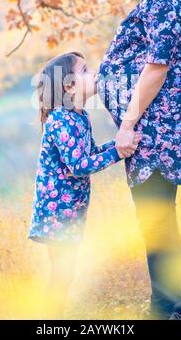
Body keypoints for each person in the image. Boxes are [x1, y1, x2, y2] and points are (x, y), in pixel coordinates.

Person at [97, 0, 181, 320]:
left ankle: (167, 311)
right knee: (158, 220)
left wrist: (126, 125)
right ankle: (168, 308)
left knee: (155, 221)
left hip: (154, 128)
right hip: (156, 124)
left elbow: (156, 67)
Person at [28, 51, 141, 318]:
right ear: (69, 85)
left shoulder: (79, 117)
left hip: (71, 212)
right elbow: (79, 166)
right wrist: (118, 152)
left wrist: (118, 143)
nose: (94, 75)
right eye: (86, 71)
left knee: (66, 274)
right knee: (61, 275)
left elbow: (89, 154)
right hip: (56, 214)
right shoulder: (60, 120)